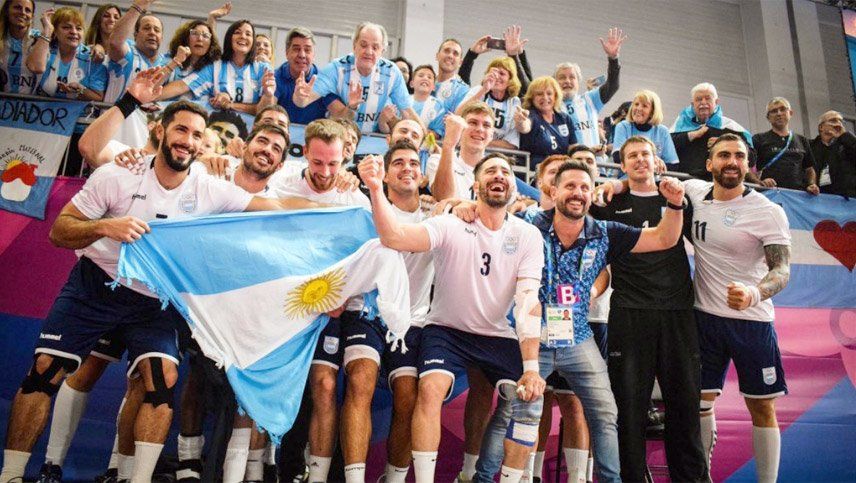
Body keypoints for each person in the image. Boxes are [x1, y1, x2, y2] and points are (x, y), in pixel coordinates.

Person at [0, 68, 319, 483]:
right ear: (160, 130)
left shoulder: (209, 186)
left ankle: (132, 476)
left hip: (156, 298)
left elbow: (275, 209)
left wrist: (352, 208)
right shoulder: (122, 169)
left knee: (160, 381)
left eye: (197, 135)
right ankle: (18, 473)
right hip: (98, 284)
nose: (188, 140)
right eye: (181, 130)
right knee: (46, 369)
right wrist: (105, 226)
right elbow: (60, 231)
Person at [470, 158, 688, 483]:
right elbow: (488, 216)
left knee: (605, 413)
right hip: (531, 337)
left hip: (578, 337)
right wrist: (463, 205)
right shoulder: (527, 224)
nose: (578, 193)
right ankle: (483, 479)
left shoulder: (605, 232)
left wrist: (675, 204)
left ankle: (611, 481)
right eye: (570, 186)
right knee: (509, 410)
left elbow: (663, 238)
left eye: (585, 187)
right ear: (553, 190)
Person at [360, 152, 546, 483]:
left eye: (505, 171)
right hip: (446, 329)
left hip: (496, 333)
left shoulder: (528, 235)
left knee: (529, 400)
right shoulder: (451, 224)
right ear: (475, 185)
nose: (499, 175)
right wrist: (375, 188)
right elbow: (395, 238)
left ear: (515, 188)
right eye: (490, 170)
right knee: (430, 388)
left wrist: (531, 369)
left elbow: (528, 301)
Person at [589, 136, 707, 482]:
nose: (640, 160)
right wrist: (614, 185)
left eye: (646, 154)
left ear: (657, 161)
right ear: (622, 164)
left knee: (684, 407)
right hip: (629, 312)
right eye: (632, 156)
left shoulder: (678, 197)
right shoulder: (609, 201)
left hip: (677, 312)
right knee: (629, 409)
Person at [269, 118, 371, 483]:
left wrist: (338, 296)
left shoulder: (354, 198)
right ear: (304, 153)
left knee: (325, 386)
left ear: (345, 158)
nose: (326, 172)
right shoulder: (282, 184)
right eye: (317, 162)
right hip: (285, 304)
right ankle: (266, 468)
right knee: (279, 385)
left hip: (331, 308)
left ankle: (317, 476)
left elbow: (363, 258)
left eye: (334, 163)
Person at [341, 140, 434, 483]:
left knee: (409, 397)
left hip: (412, 320)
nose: (407, 168)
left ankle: (393, 478)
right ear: (386, 173)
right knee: (360, 381)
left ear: (422, 175)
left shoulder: (436, 218)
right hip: (366, 312)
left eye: (413, 163)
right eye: (398, 163)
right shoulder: (365, 210)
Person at [292, 22, 420, 133]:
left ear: (382, 51)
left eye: (375, 47)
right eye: (363, 45)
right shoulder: (336, 69)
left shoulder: (392, 72)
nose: (369, 52)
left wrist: (423, 137)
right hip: (340, 135)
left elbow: (408, 113)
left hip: (373, 138)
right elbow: (302, 101)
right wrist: (299, 97)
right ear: (354, 46)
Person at [160, 20, 276, 116]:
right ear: (229, 38)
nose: (243, 36)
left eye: (248, 34)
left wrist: (230, 105)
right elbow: (182, 85)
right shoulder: (215, 67)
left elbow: (263, 111)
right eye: (237, 32)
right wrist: (152, 96)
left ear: (253, 41)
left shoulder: (263, 69)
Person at [554, 28, 625, 148]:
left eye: (572, 77)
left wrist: (613, 59)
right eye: (562, 77)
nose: (567, 81)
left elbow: (613, 85)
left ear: (578, 81)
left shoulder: (589, 99)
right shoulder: (550, 106)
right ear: (554, 82)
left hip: (593, 159)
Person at [670, 82, 754, 180]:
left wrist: (725, 144)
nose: (703, 102)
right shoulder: (680, 125)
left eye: (708, 98)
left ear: (716, 102)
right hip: (686, 182)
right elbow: (666, 149)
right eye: (699, 99)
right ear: (692, 104)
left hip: (724, 182)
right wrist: (690, 135)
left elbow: (751, 158)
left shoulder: (730, 127)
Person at [26, 7, 107, 101]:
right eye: (66, 27)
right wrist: (47, 29)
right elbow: (34, 67)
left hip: (76, 110)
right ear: (55, 31)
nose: (74, 32)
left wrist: (81, 90)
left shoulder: (92, 56)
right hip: (37, 108)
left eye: (79, 28)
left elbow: (98, 97)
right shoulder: (44, 47)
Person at [273, 27, 343, 124]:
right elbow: (266, 111)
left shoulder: (323, 80)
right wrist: (268, 96)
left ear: (313, 55)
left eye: (307, 50)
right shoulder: (275, 77)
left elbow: (340, 115)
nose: (302, 55)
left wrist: (352, 107)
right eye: (296, 49)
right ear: (287, 53)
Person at [457, 56, 527, 149]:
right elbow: (458, 115)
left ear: (510, 79)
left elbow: (511, 144)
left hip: (498, 154)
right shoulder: (478, 90)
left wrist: (480, 140)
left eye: (502, 73)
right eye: (494, 72)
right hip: (471, 149)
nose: (497, 77)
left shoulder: (514, 101)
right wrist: (484, 90)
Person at [752, 97, 818, 193]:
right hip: (769, 194)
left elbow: (809, 169)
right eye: (774, 111)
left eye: (783, 109)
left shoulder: (802, 140)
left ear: (790, 113)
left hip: (798, 195)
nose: (779, 113)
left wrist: (811, 184)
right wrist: (759, 182)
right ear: (768, 117)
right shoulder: (758, 139)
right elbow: (747, 168)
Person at [519, 76, 578, 170]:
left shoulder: (565, 119)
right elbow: (524, 127)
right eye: (539, 94)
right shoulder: (531, 115)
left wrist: (590, 151)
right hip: (535, 171)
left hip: (562, 170)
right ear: (532, 98)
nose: (545, 98)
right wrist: (521, 121)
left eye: (549, 93)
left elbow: (573, 149)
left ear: (555, 96)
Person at [611, 89, 678, 166]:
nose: (638, 108)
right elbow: (618, 157)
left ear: (652, 112)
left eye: (644, 106)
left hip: (653, 174)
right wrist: (650, 161)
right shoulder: (623, 126)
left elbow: (673, 164)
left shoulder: (662, 131)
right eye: (636, 104)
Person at [163, 20, 221, 88]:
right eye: (195, 33)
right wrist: (176, 61)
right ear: (186, 38)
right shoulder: (168, 60)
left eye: (205, 36)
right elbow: (153, 85)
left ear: (211, 43)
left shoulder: (212, 69)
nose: (200, 39)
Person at [811, 110, 856, 196]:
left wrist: (844, 135)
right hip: (821, 197)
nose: (838, 124)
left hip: (848, 197)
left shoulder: (847, 144)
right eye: (833, 120)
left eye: (841, 121)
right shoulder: (810, 147)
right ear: (821, 127)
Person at [0, 0, 38, 93]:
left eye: (28, 10)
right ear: (6, 11)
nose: (23, 13)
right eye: (17, 7)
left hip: (31, 101)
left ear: (32, 16)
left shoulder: (40, 40)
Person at [409, 64, 447, 138]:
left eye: (429, 77)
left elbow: (437, 134)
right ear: (412, 83)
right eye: (421, 75)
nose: (425, 78)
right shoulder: (402, 101)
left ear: (434, 87)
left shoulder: (439, 106)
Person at [433, 38, 470, 112]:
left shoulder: (463, 91)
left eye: (455, 53)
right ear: (437, 56)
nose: (450, 56)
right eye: (446, 51)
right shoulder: (426, 82)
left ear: (460, 63)